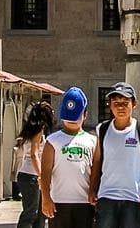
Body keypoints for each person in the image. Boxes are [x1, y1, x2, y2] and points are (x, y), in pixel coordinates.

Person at [88, 82, 140, 228]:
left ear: (134, 104)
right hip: (107, 198)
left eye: (125, 103)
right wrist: (92, 189)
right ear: (110, 105)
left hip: (135, 199)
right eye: (116, 103)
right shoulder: (102, 130)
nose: (120, 107)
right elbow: (97, 161)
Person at [42, 88, 97, 228]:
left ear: (85, 115)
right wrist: (46, 198)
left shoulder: (93, 141)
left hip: (85, 202)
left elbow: (96, 171)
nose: (72, 121)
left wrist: (93, 192)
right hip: (59, 201)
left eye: (76, 117)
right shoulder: (52, 141)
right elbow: (45, 173)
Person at [16, 100, 56, 228]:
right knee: (31, 212)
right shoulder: (39, 130)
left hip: (27, 174)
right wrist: (42, 176)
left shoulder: (30, 128)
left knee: (39, 213)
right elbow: (34, 154)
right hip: (31, 176)